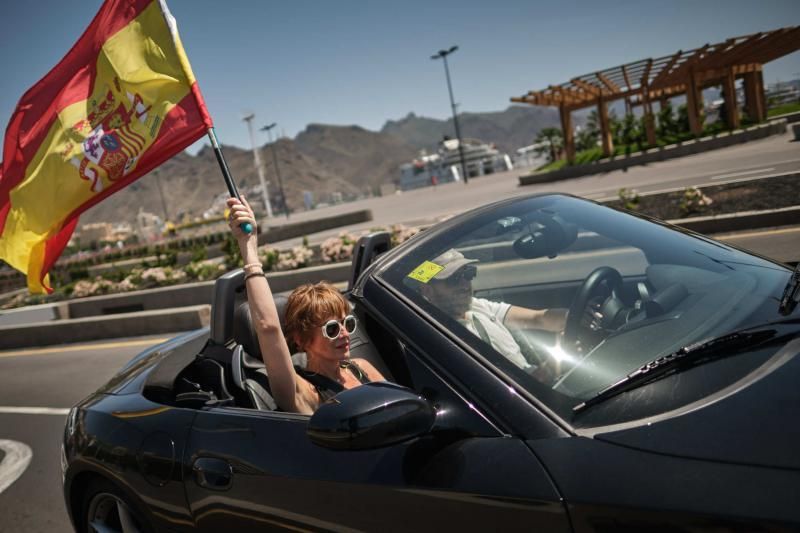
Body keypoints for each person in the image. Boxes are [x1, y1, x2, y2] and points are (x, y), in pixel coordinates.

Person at [227, 197, 384, 414]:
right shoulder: (305, 393)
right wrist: (249, 246)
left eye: (347, 323)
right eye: (331, 329)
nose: (344, 334)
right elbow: (268, 327)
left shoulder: (360, 368)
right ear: (301, 340)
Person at [417, 248, 567, 376]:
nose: (464, 285)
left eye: (468, 274)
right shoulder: (442, 337)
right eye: (453, 279)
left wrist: (574, 317)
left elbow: (538, 318)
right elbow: (512, 392)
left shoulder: (477, 306)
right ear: (427, 290)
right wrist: (555, 363)